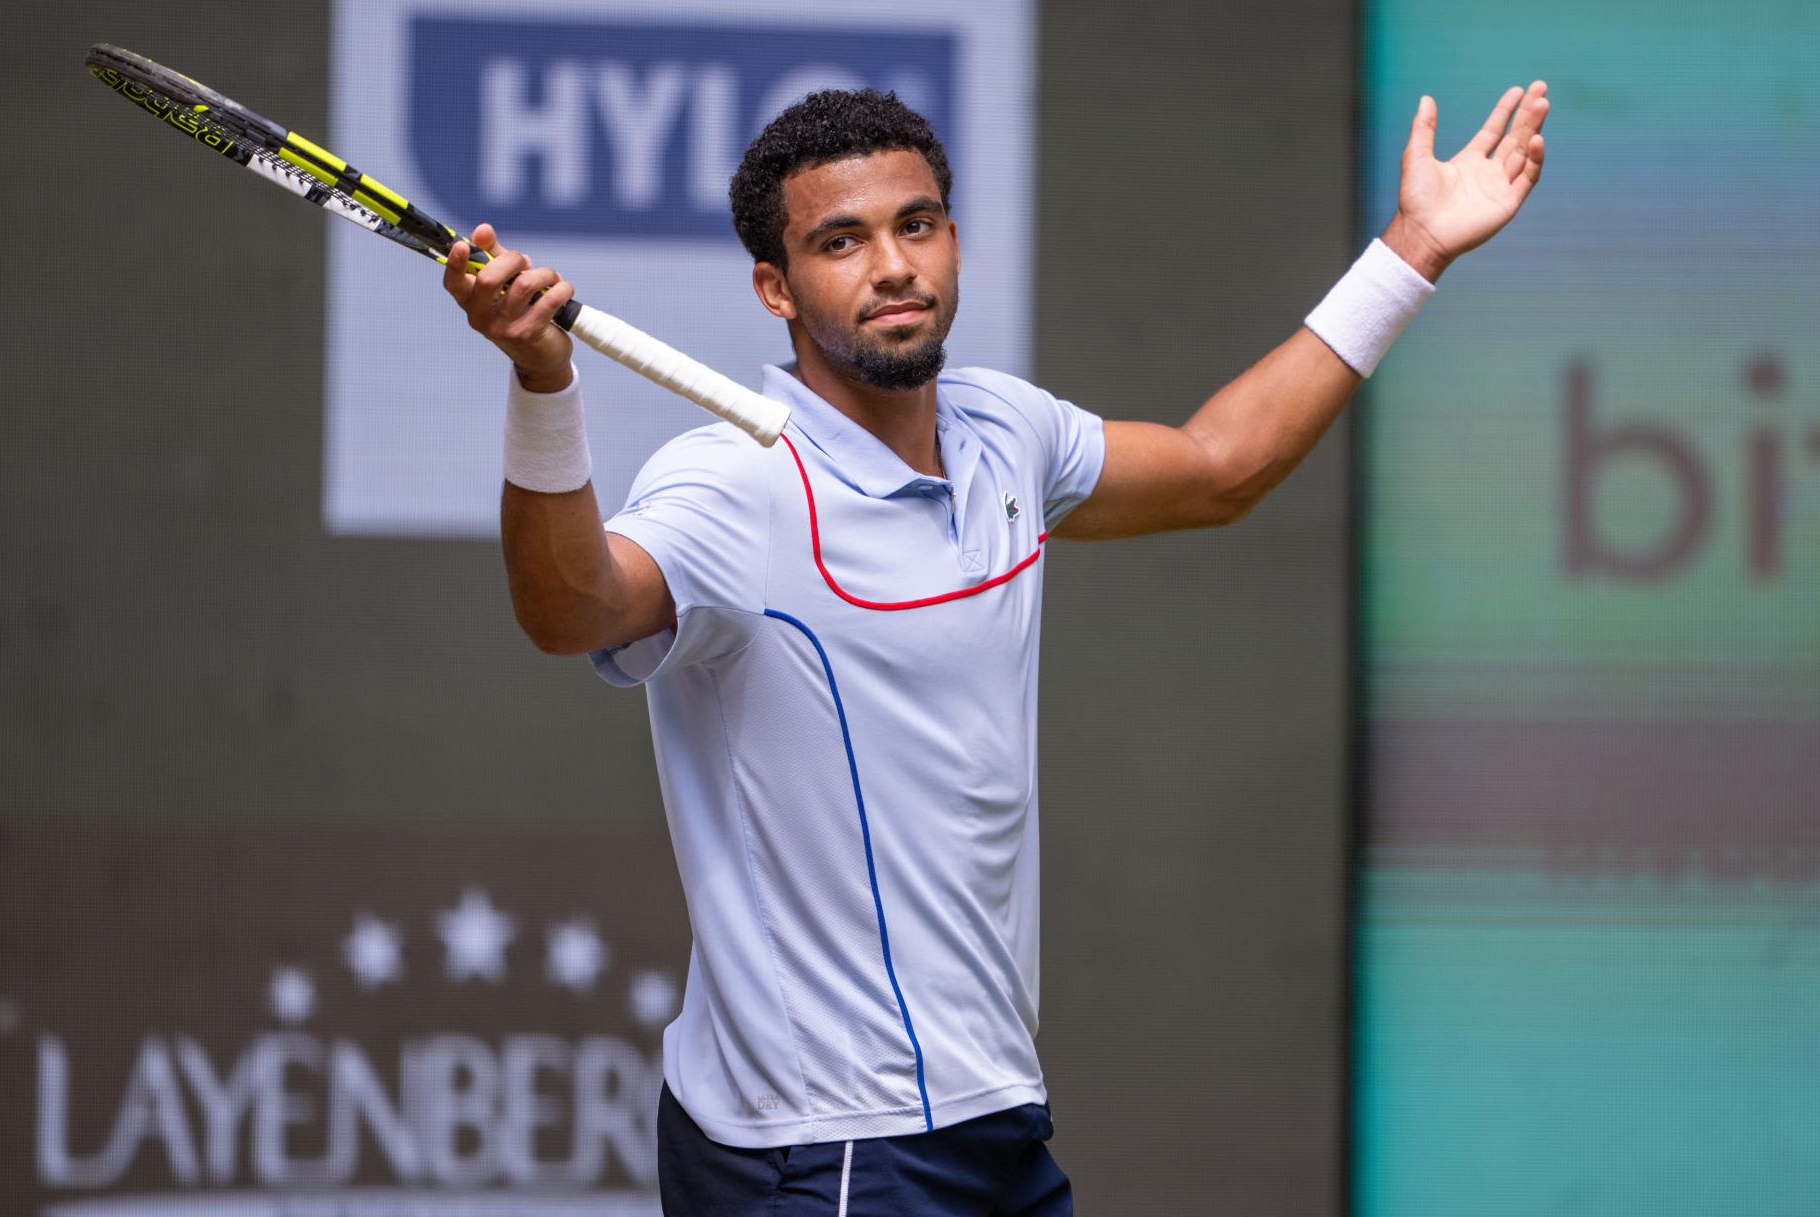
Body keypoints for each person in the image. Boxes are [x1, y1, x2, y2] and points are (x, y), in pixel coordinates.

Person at [442, 82, 1549, 1216]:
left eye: (914, 225)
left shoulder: (1004, 433)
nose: (892, 266)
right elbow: (569, 610)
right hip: (828, 1146)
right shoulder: (732, 485)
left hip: (992, 1114)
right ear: (775, 287)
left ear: (954, 240)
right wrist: (544, 382)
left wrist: (1413, 247)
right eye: (840, 241)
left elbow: (1223, 467)